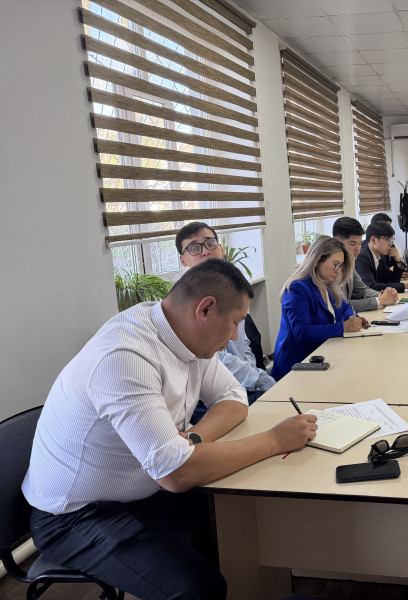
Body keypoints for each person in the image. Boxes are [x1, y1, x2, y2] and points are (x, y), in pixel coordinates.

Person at [23, 259, 318, 600]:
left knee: (239, 518)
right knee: (196, 587)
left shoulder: (185, 334)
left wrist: (193, 438)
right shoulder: (125, 356)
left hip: (143, 490)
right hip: (76, 515)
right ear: (205, 309)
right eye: (235, 323)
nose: (235, 337)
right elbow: (176, 474)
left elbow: (234, 397)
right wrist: (274, 440)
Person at [176, 221, 274, 414]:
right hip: (209, 398)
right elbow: (216, 359)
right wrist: (258, 379)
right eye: (194, 248)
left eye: (210, 244)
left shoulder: (233, 290)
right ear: (183, 260)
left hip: (243, 386)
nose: (205, 252)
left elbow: (243, 345)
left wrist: (255, 380)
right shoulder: (185, 302)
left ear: (221, 249)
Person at [272, 236, 370, 381]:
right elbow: (302, 331)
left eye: (341, 266)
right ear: (318, 260)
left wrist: (352, 318)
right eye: (335, 264)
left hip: (323, 356)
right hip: (296, 367)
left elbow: (345, 307)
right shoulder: (297, 288)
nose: (338, 271)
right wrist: (343, 327)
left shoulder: (327, 285)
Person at [332, 217, 397, 311]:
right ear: (337, 242)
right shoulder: (331, 268)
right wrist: (380, 300)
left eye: (359, 243)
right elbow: (342, 305)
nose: (358, 249)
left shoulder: (349, 262)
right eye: (353, 244)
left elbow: (363, 290)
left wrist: (382, 295)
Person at [356, 221, 408, 292]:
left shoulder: (380, 254)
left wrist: (398, 261)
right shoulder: (362, 256)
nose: (390, 244)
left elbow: (393, 280)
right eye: (387, 240)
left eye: (391, 240)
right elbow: (370, 286)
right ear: (373, 240)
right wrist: (404, 285)